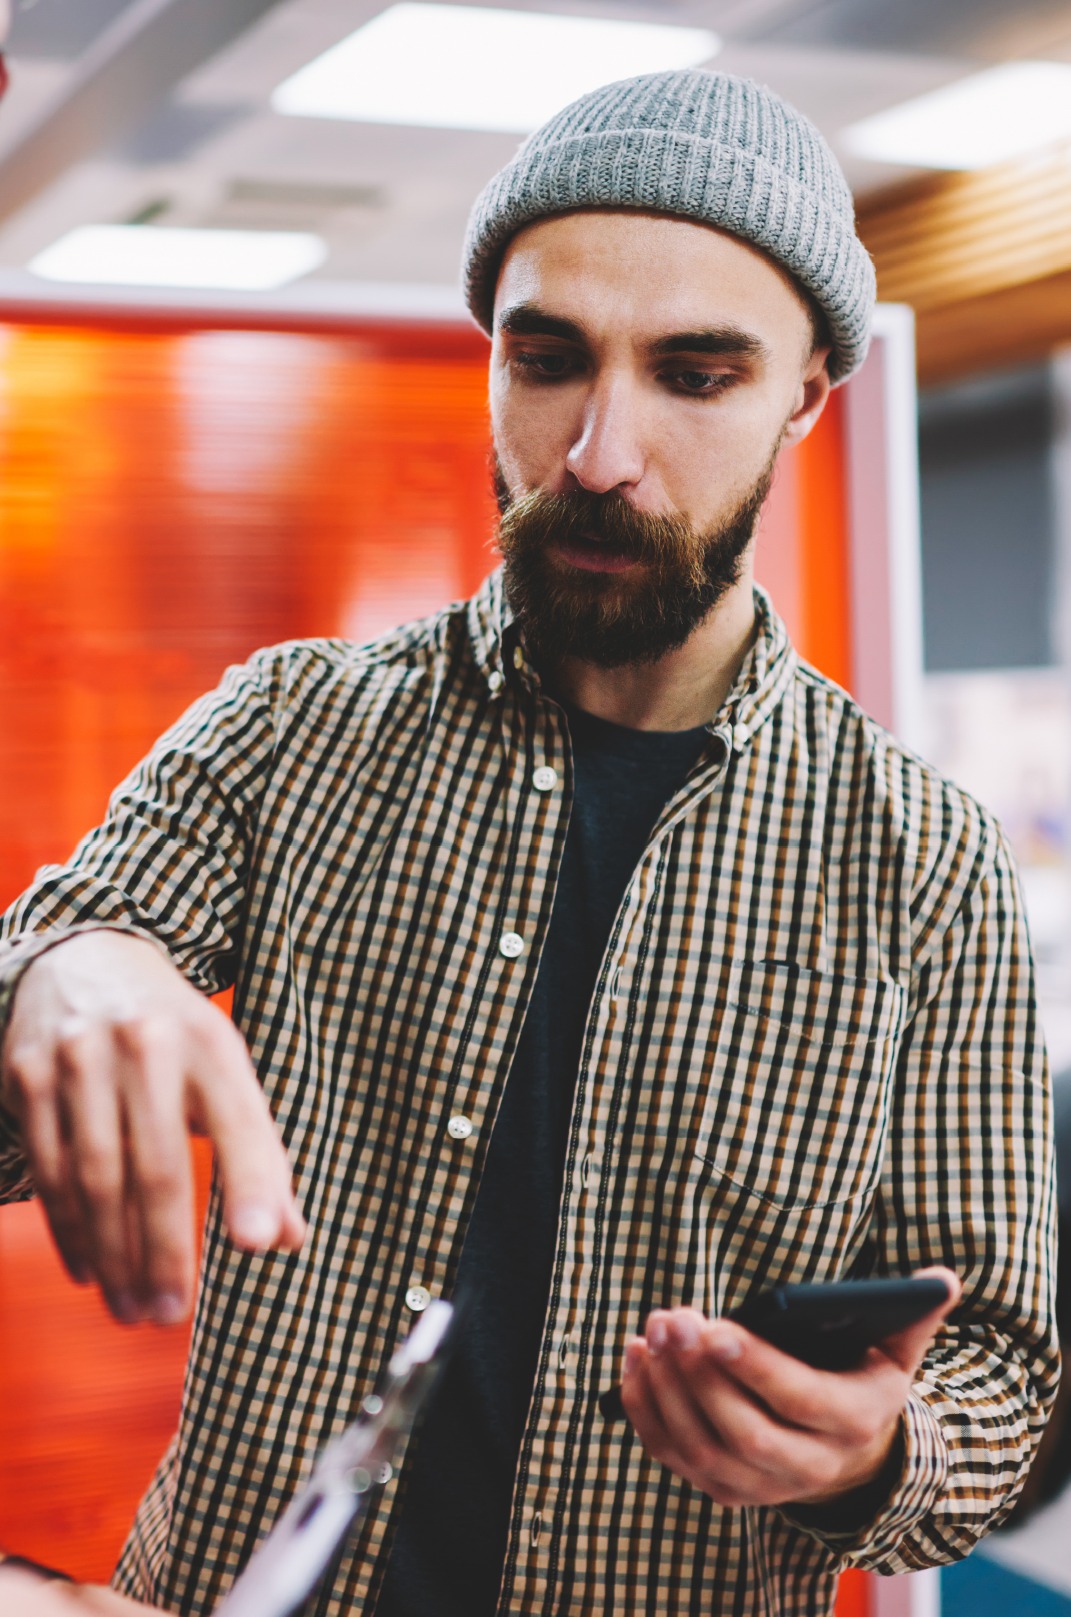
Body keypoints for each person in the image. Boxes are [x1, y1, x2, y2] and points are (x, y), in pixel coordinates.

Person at [0, 69, 1056, 1617]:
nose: (598, 454)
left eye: (695, 377)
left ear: (806, 396)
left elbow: (1006, 1382)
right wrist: (56, 986)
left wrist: (870, 1452)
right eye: (547, 359)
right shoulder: (293, 729)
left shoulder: (927, 865)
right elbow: (44, 1030)